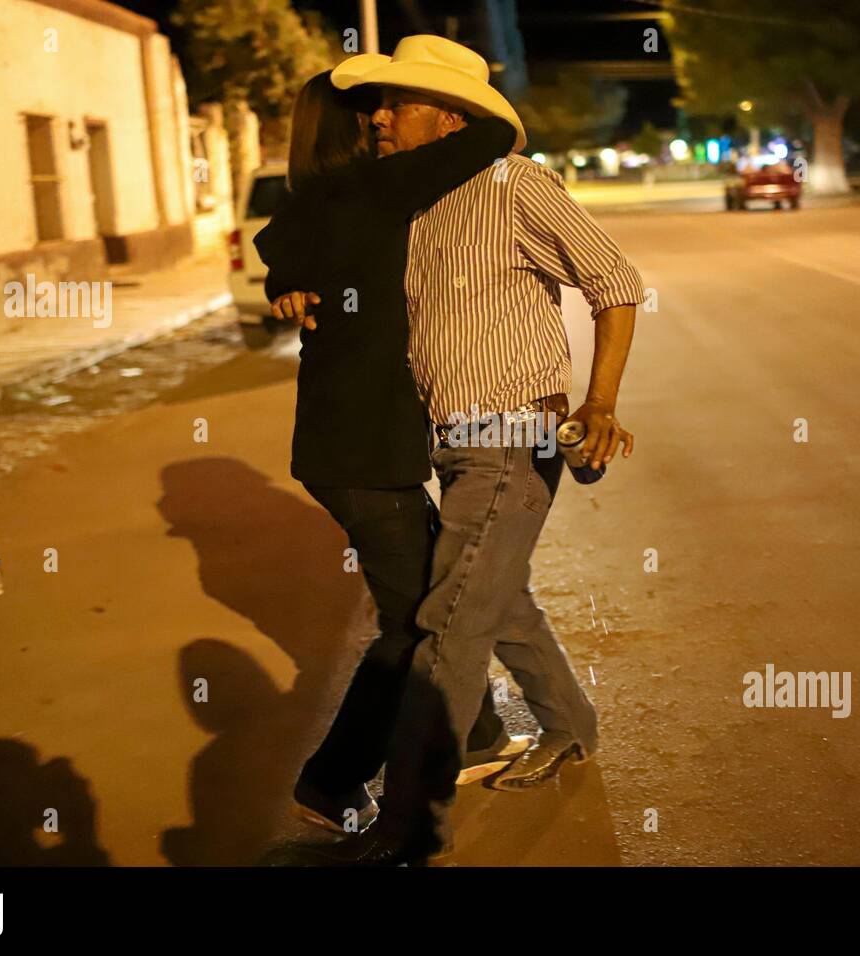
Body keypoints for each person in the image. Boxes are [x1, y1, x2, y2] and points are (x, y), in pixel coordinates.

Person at [276, 36, 645, 864]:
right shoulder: (409, 200)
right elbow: (308, 231)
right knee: (494, 597)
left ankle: (411, 825)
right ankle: (569, 728)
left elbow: (616, 283)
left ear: (446, 117)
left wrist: (602, 400)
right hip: (446, 440)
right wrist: (286, 277)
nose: (376, 118)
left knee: (447, 624)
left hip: (513, 434)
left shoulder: (519, 186)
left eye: (394, 104)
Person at [252, 71, 529, 837]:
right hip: (365, 453)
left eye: (389, 104)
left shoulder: (318, 203)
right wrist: (442, 88)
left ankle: (478, 735)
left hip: (346, 447)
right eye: (369, 108)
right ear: (345, 129)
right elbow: (497, 134)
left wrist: (285, 282)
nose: (381, 117)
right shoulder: (375, 190)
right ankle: (330, 779)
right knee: (414, 626)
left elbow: (276, 246)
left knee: (447, 589)